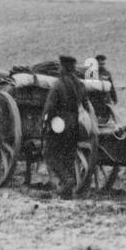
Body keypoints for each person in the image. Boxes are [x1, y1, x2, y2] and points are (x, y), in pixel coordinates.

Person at [41, 54, 90, 198]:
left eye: (60, 66)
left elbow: (49, 107)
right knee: (68, 155)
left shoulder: (58, 84)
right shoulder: (80, 85)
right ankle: (67, 191)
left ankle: (67, 180)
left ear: (63, 67)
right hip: (74, 125)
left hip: (59, 125)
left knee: (50, 154)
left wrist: (44, 123)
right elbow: (86, 106)